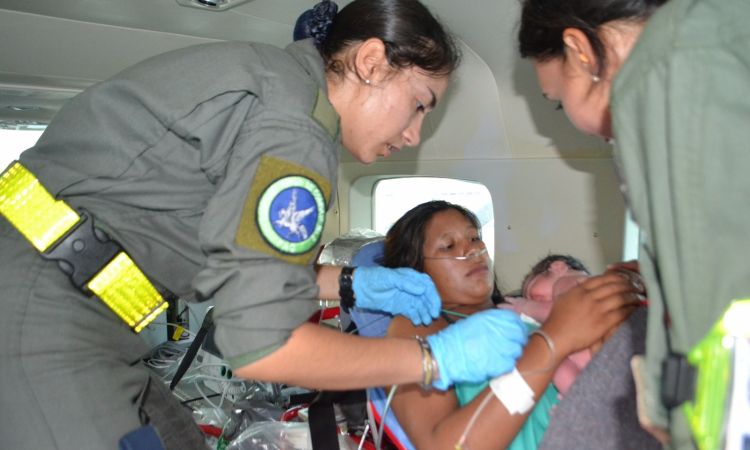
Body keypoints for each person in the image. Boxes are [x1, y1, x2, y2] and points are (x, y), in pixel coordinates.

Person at [0, 1, 531, 448]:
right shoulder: (293, 129)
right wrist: (434, 358)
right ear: (372, 61)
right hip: (44, 312)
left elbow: (234, 258)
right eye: (418, 106)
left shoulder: (275, 87)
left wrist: (349, 282)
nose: (414, 134)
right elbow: (264, 348)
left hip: (72, 301)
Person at [518, 0, 750, 447]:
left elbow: (723, 302)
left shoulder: (671, 73)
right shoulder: (711, 40)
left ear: (581, 51)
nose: (573, 122)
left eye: (557, 102)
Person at [379, 200, 642, 450]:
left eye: (474, 238)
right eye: (448, 246)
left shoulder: (523, 304)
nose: (473, 250)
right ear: (413, 274)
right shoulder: (416, 327)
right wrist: (555, 339)